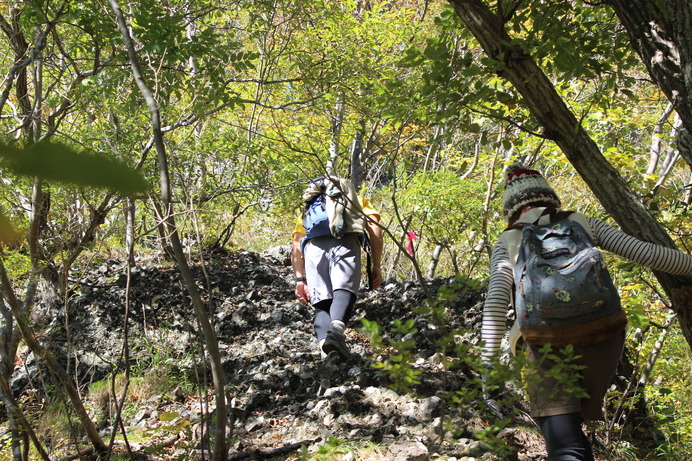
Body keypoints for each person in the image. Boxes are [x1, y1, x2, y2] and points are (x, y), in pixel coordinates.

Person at [482, 164, 692, 460]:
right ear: (549, 198)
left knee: (564, 441)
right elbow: (648, 253)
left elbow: (495, 304)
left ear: (511, 209)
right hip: (602, 334)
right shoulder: (580, 222)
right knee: (576, 424)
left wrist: (489, 366)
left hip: (543, 344)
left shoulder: (508, 241)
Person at [291, 175, 383, 361]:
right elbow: (374, 227)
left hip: (313, 248)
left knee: (322, 305)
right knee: (344, 289)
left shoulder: (311, 207)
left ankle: (327, 353)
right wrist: (376, 264)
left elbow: (296, 243)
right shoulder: (354, 199)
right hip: (345, 240)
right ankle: (336, 334)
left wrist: (300, 279)